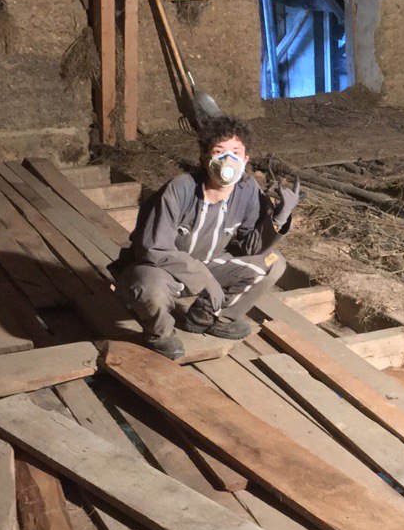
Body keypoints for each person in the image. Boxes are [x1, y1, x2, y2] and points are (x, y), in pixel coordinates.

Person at [109, 116, 299, 360]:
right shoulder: (180, 189)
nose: (228, 160)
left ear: (245, 159)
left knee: (274, 261)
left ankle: (210, 318)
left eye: (235, 152)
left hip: (212, 263)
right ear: (205, 157)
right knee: (147, 285)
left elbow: (251, 247)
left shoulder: (247, 190)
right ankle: (160, 334)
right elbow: (153, 249)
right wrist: (203, 278)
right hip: (164, 271)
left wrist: (278, 219)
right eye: (219, 151)